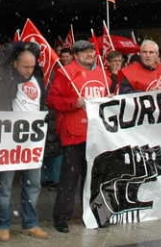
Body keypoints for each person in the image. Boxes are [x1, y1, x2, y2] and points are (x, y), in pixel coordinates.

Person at [47, 40, 112, 233]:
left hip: (97, 134)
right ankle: (61, 218)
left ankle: (96, 214)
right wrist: (72, 103)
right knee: (70, 178)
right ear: (76, 55)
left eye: (91, 51)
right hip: (74, 134)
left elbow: (110, 95)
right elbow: (52, 99)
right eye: (84, 52)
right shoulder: (64, 73)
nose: (89, 54)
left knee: (96, 177)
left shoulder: (103, 73)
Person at [0, 48, 49, 241]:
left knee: (33, 184)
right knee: (5, 186)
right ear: (15, 64)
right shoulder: (6, 80)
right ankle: (3, 224)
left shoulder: (37, 80)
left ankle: (30, 223)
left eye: (32, 66)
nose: (29, 70)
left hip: (32, 142)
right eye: (25, 66)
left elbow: (42, 105)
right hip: (9, 142)